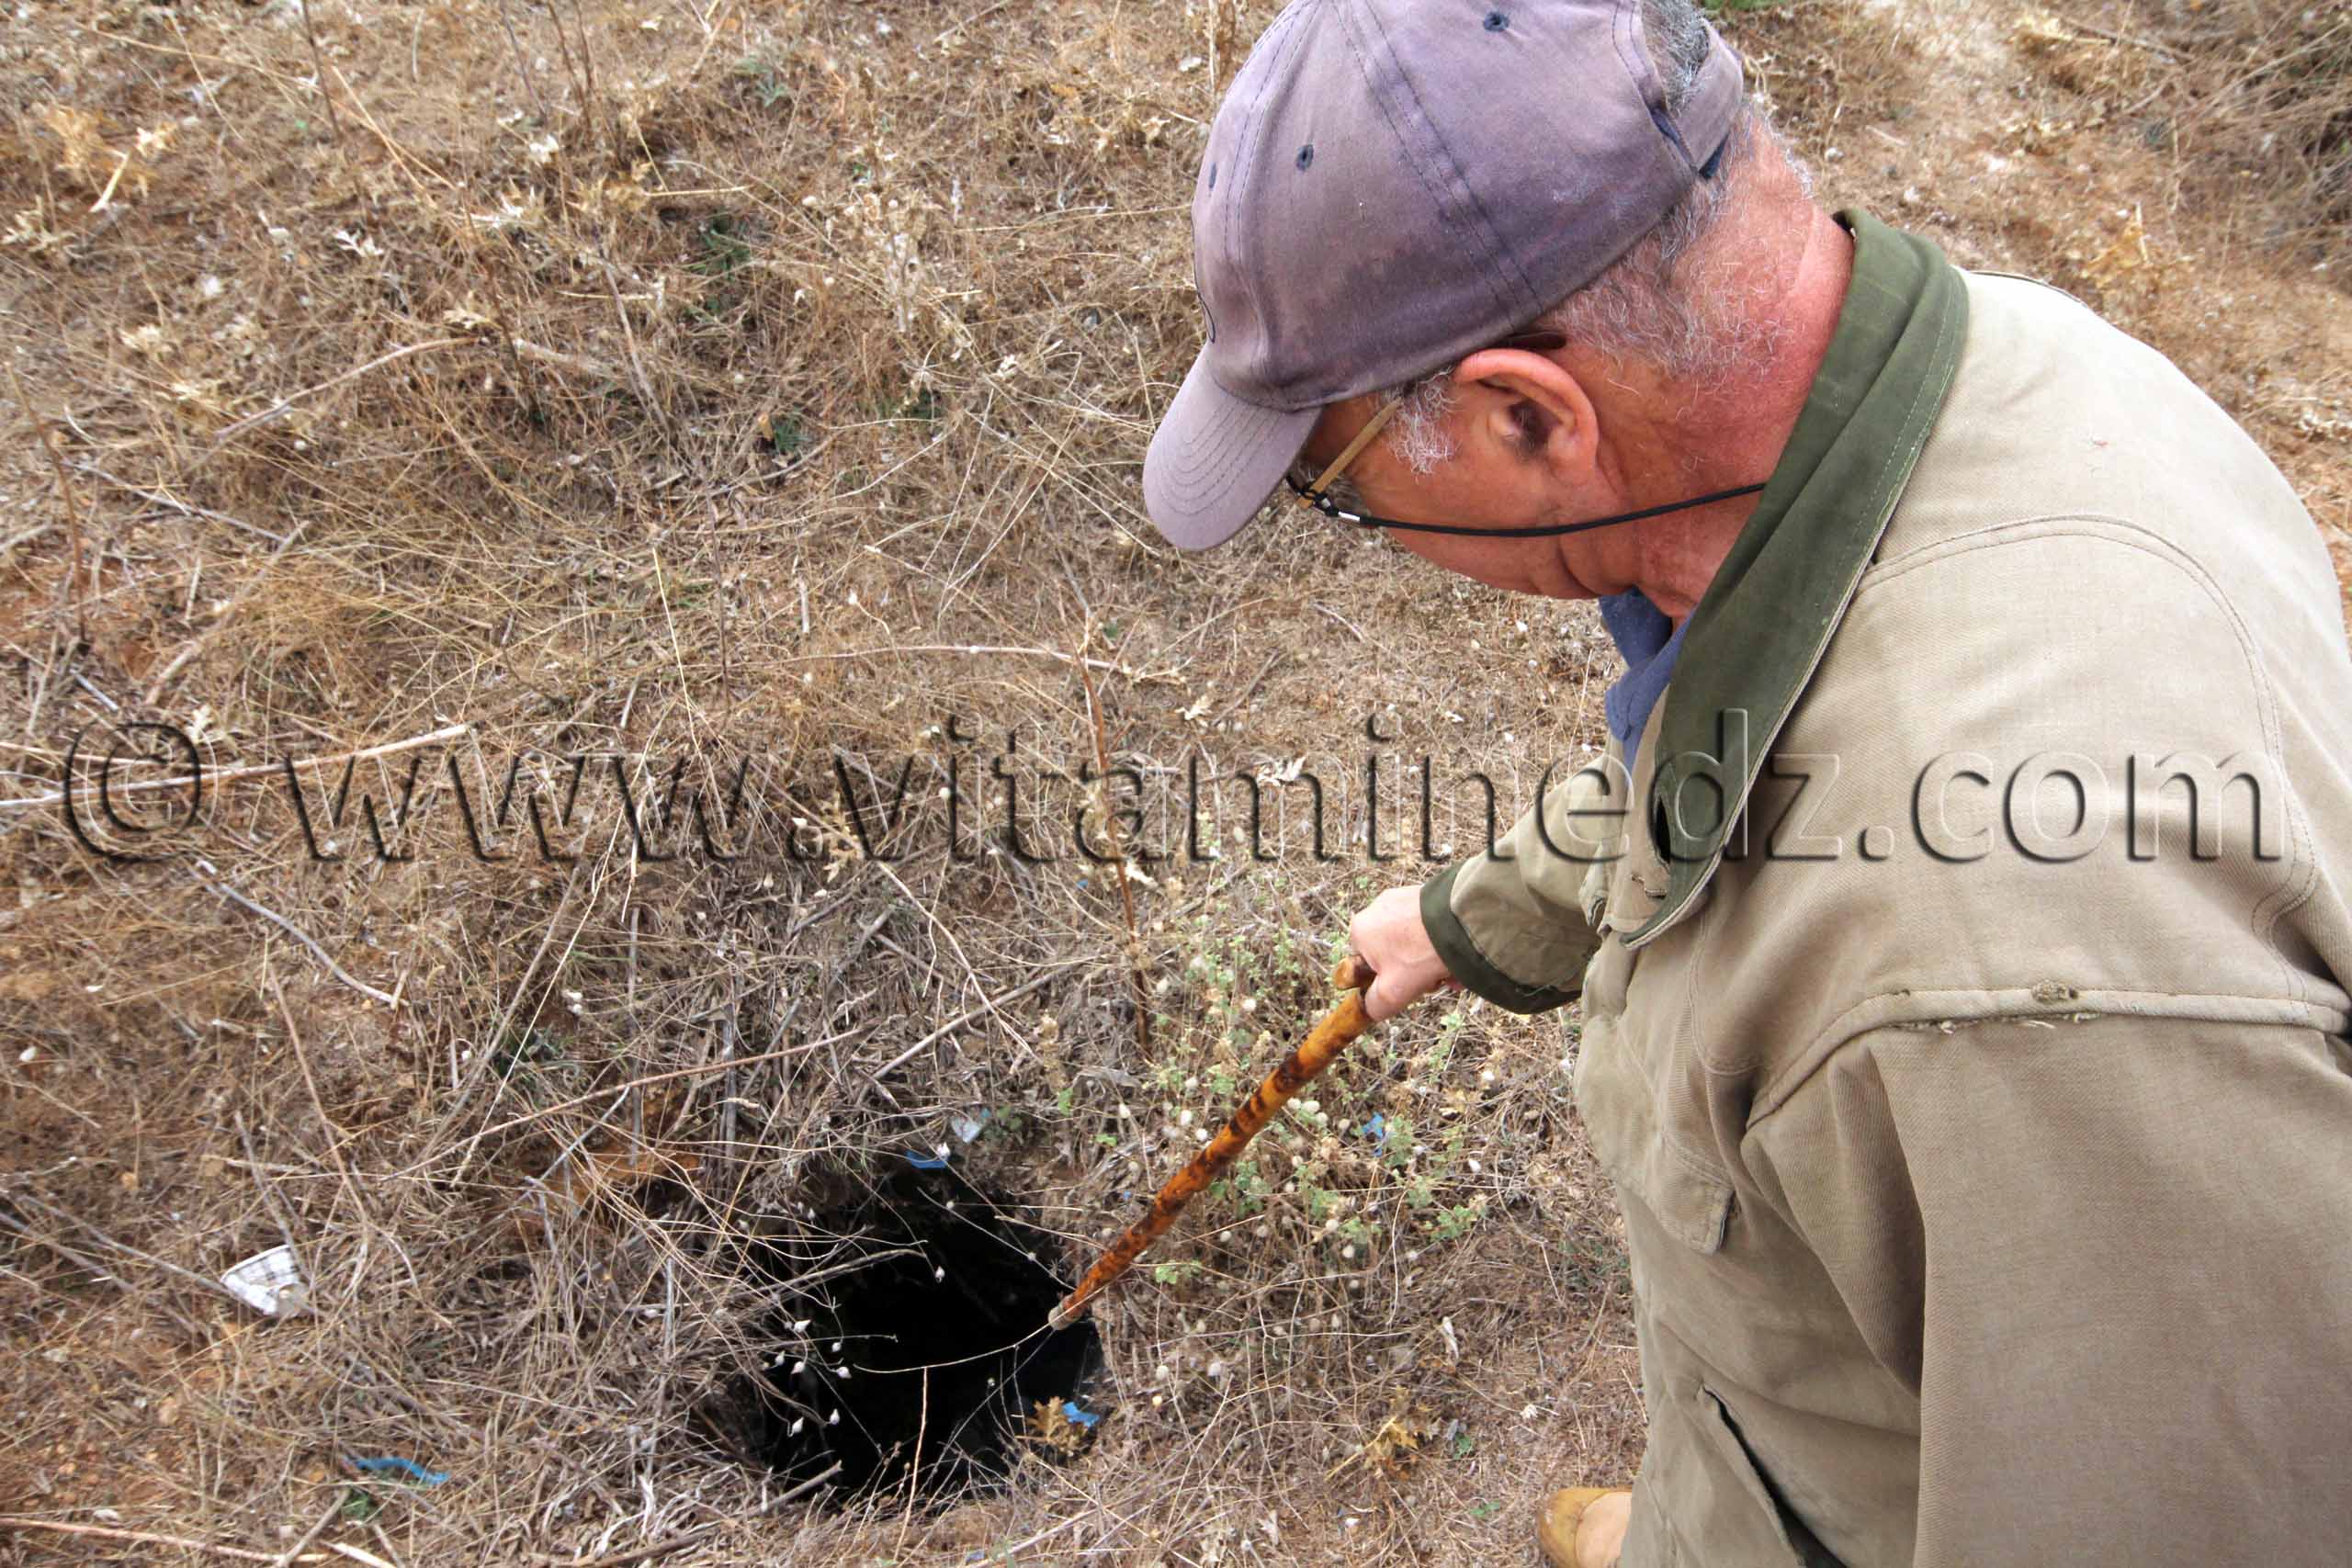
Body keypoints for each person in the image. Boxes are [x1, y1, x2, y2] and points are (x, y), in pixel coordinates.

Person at [1138, 1, 2352, 1564]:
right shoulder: (2001, 371)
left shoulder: (1997, 988)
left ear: (1528, 417)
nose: (1348, 512)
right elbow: (1752, 741)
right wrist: (1481, 915)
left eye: (1333, 479)